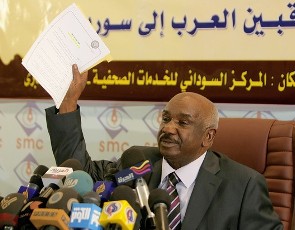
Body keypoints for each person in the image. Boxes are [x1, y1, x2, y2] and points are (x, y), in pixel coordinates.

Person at [45, 64, 283, 230]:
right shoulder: (137, 162)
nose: (168, 128)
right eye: (166, 118)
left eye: (183, 122)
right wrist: (68, 103)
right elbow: (79, 176)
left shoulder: (244, 185)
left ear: (208, 137)